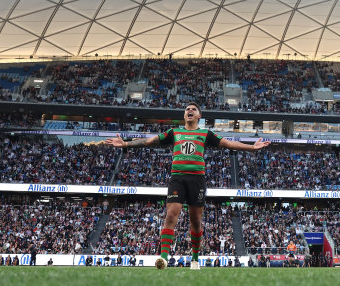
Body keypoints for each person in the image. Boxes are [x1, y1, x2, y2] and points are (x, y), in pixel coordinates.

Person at [105, 102, 270, 271]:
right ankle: (163, 258)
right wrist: (125, 144)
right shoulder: (174, 132)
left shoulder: (205, 133)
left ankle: (195, 258)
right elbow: (150, 141)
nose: (189, 111)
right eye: (187, 109)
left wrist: (251, 148)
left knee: (196, 222)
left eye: (193, 109)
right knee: (170, 216)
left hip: (197, 180)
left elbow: (227, 143)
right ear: (184, 115)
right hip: (177, 178)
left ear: (199, 116)